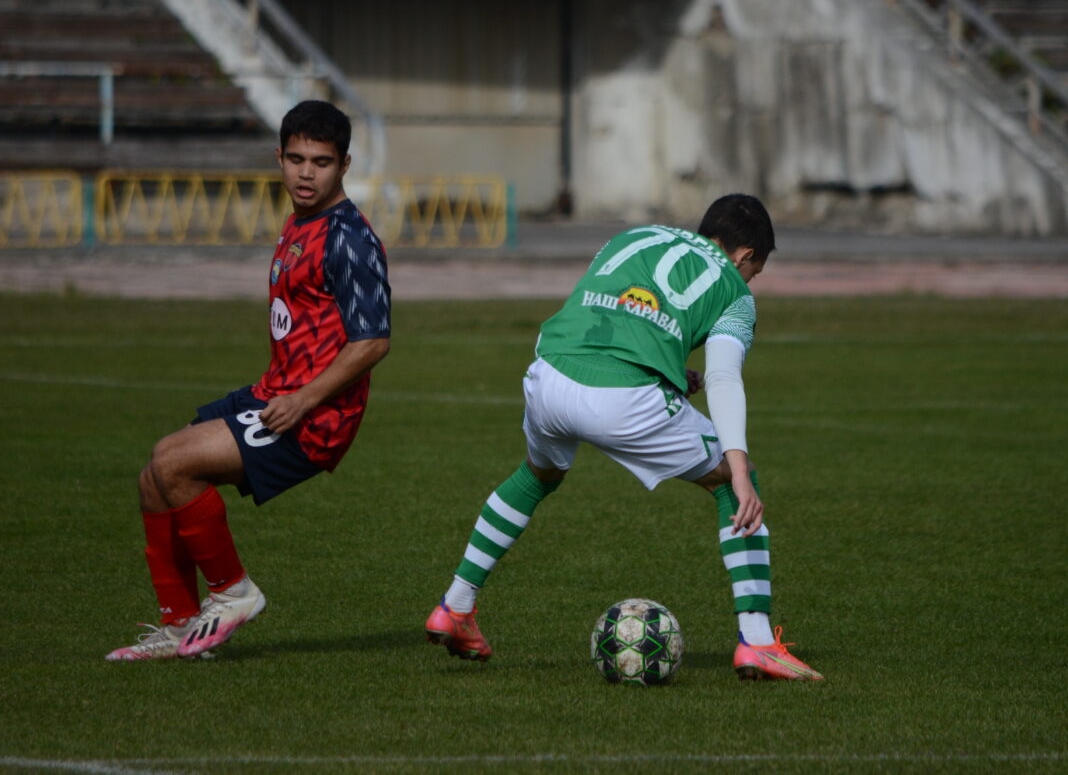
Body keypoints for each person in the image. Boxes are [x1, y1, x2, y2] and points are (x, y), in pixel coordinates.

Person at [425, 194, 822, 680]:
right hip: (622, 400)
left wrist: (673, 374)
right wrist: (738, 467)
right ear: (744, 256)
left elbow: (613, 318)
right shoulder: (735, 293)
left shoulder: (635, 236)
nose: (750, 280)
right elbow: (723, 379)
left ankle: (456, 605)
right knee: (730, 483)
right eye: (754, 270)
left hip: (549, 374)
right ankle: (758, 642)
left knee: (539, 475)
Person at [107, 99, 392, 661]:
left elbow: (373, 341)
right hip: (275, 391)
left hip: (315, 416)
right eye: (295, 159)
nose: (306, 173)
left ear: (345, 166)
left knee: (173, 462)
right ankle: (182, 627)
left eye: (322, 162)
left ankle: (233, 592)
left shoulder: (349, 239)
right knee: (153, 478)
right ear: (279, 158)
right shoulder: (300, 221)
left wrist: (303, 400)